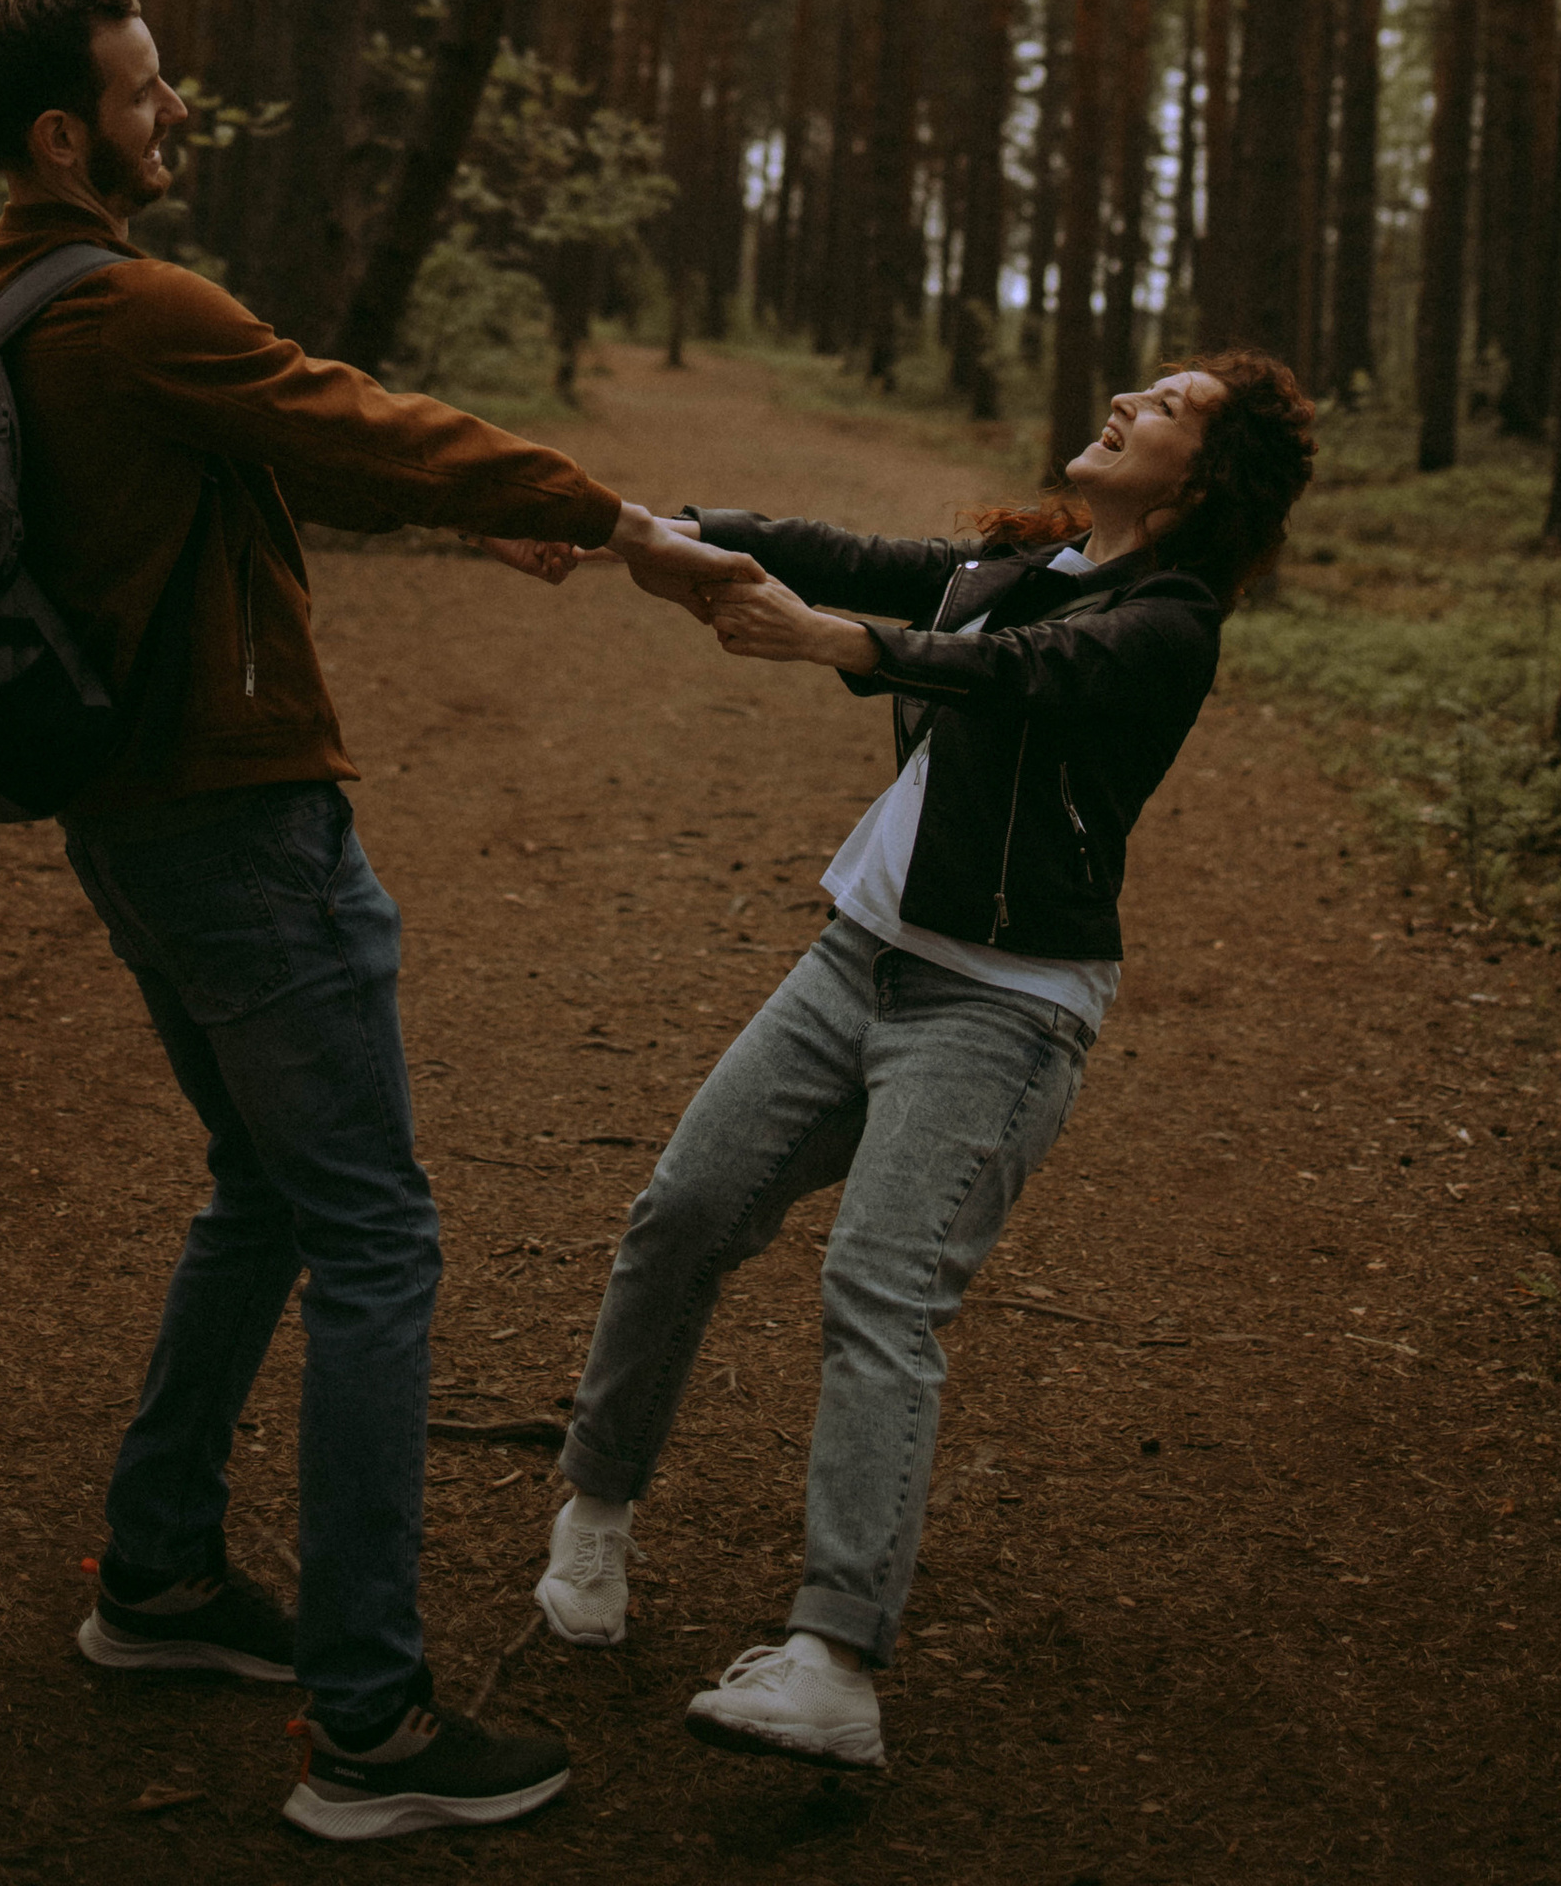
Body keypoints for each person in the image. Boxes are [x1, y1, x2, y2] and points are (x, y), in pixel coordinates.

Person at [0, 0, 754, 1844]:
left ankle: (156, 1581)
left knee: (263, 1187)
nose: (177, 116)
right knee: (379, 1235)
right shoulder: (134, 305)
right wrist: (612, 518)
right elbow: (355, 413)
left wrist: (470, 515)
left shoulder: (11, 295)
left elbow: (214, 478)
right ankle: (374, 1726)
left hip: (136, 827)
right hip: (243, 831)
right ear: (68, 132)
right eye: (148, 94)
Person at [523, 352, 1315, 1769]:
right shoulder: (1021, 563)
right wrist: (621, 528)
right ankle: (594, 1514)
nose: (1130, 399)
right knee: (684, 1213)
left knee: (882, 1288)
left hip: (1000, 1006)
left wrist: (830, 643)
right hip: (858, 961)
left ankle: (834, 1663)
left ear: (1204, 480)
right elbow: (833, 551)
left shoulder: (1168, 620)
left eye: (1170, 408)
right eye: (1138, 386)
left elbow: (1021, 681)